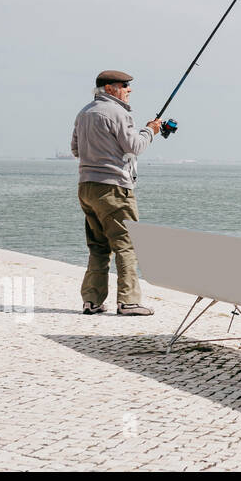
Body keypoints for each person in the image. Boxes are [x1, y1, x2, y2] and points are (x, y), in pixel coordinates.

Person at [70, 70, 162, 316]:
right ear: (109, 89)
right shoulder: (119, 113)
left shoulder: (84, 112)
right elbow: (135, 146)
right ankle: (129, 301)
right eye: (124, 85)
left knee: (98, 246)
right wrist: (150, 130)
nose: (129, 90)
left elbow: (75, 149)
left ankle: (92, 300)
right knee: (126, 243)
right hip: (114, 188)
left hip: (86, 186)